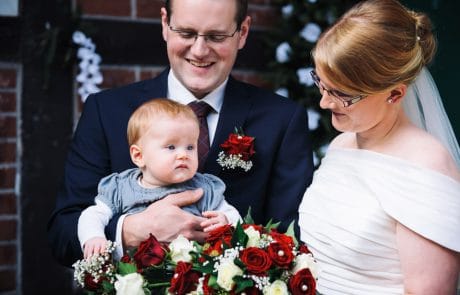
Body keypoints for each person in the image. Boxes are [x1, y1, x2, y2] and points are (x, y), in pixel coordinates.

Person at [48, 0, 314, 267]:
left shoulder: (282, 120)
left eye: (216, 36)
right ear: (165, 24)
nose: (199, 50)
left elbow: (289, 241)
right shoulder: (106, 111)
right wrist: (131, 231)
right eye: (186, 33)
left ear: (242, 32)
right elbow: (62, 234)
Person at [298, 0, 460, 294]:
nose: (324, 102)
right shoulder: (340, 145)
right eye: (321, 83)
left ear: (395, 94)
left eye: (342, 94)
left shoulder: (426, 165)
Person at [78, 99, 241, 259]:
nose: (183, 155)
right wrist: (93, 237)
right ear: (139, 156)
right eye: (171, 147)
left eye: (190, 147)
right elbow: (92, 215)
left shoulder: (204, 188)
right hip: (135, 277)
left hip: (190, 275)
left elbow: (235, 218)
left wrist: (226, 221)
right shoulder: (121, 188)